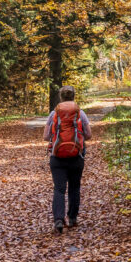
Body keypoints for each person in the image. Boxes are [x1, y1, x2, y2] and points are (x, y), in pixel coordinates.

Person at [43, 86, 92, 232]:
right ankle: (72, 218)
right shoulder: (80, 113)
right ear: (74, 97)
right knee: (74, 187)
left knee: (59, 189)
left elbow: (46, 136)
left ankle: (58, 220)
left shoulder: (54, 114)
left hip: (57, 156)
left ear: (61, 97)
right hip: (76, 155)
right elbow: (89, 135)